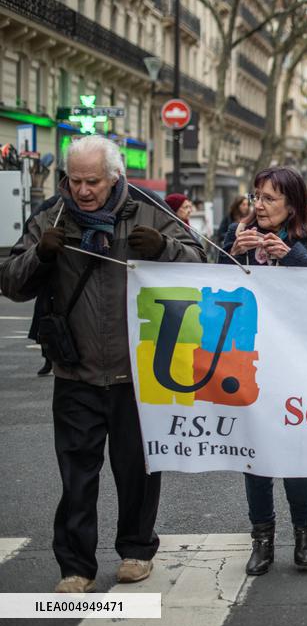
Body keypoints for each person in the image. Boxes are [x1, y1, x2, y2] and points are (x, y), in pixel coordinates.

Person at [0, 135, 205, 593]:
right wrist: (41, 254)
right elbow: (11, 283)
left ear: (115, 177)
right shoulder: (51, 215)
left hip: (138, 370)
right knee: (76, 476)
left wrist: (164, 248)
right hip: (76, 369)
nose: (83, 190)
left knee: (138, 471)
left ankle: (135, 550)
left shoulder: (152, 211)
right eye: (74, 181)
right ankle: (76, 566)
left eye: (92, 181)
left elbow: (203, 264)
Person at [222, 166, 307, 575]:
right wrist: (231, 254)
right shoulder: (237, 235)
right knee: (256, 454)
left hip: (295, 364)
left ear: (292, 204)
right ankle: (262, 539)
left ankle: (305, 534)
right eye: (257, 196)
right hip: (247, 361)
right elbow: (206, 284)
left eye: (269, 198)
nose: (260, 205)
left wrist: (293, 257)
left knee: (293, 454)